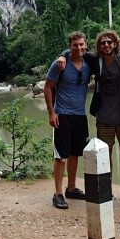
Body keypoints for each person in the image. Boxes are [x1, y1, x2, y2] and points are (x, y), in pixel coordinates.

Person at [56, 30, 120, 202]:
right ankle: (108, 189)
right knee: (105, 156)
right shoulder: (94, 60)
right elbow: (76, 50)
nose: (106, 45)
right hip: (104, 118)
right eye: (103, 43)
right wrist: (62, 55)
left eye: (110, 42)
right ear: (99, 46)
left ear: (115, 44)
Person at [44, 31, 92, 210]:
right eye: (74, 45)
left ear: (86, 45)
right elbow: (48, 88)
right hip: (62, 114)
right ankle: (58, 193)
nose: (78, 48)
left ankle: (71, 187)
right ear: (69, 46)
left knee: (74, 153)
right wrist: (51, 112)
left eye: (81, 44)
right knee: (61, 156)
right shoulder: (60, 65)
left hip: (80, 115)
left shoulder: (89, 63)